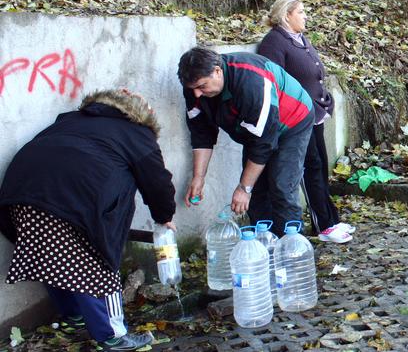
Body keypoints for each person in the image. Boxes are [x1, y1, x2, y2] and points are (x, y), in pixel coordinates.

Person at [0, 89, 176, 351]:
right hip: (78, 202)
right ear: (138, 116)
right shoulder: (138, 133)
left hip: (22, 195)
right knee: (99, 265)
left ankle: (73, 316)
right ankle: (113, 335)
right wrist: (165, 216)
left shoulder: (70, 120)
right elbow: (157, 182)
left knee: (50, 254)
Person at [177, 47, 314, 237]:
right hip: (255, 131)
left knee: (281, 186)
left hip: (292, 120)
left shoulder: (250, 82)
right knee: (257, 189)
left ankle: (291, 247)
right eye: (193, 89)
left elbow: (263, 143)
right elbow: (202, 133)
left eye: (202, 86)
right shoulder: (194, 89)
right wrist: (198, 177)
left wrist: (243, 188)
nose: (197, 94)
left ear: (217, 71)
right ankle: (263, 245)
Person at [257, 0, 354, 244]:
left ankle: (330, 219)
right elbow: (273, 83)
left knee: (320, 166)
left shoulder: (300, 39)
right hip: (295, 119)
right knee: (309, 168)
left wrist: (324, 97)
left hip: (314, 114)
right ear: (286, 14)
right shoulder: (274, 43)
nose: (305, 15)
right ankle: (323, 225)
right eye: (300, 11)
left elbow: (314, 75)